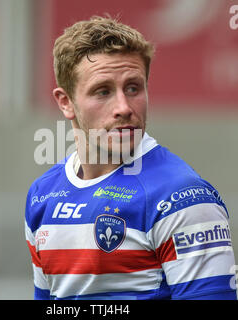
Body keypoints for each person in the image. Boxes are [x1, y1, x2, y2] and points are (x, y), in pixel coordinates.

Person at [25, 16, 237, 300]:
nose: (124, 107)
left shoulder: (183, 197)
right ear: (66, 102)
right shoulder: (42, 195)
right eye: (103, 92)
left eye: (133, 88)